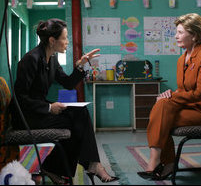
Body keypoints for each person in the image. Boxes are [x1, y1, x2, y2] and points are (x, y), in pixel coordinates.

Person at [10, 18, 119, 184]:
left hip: (38, 112)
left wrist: (80, 66)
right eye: (65, 38)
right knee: (76, 121)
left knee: (80, 113)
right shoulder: (30, 59)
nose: (67, 42)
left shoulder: (52, 59)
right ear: (52, 41)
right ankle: (84, 166)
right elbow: (20, 99)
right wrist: (48, 107)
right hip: (26, 116)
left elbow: (68, 83)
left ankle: (80, 166)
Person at [137, 13, 201, 180]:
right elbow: (183, 89)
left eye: (180, 32)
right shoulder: (181, 59)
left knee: (162, 117)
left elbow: (200, 93)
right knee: (162, 107)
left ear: (194, 36)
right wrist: (170, 94)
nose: (176, 36)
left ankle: (161, 162)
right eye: (176, 32)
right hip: (190, 107)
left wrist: (171, 97)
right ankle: (161, 162)